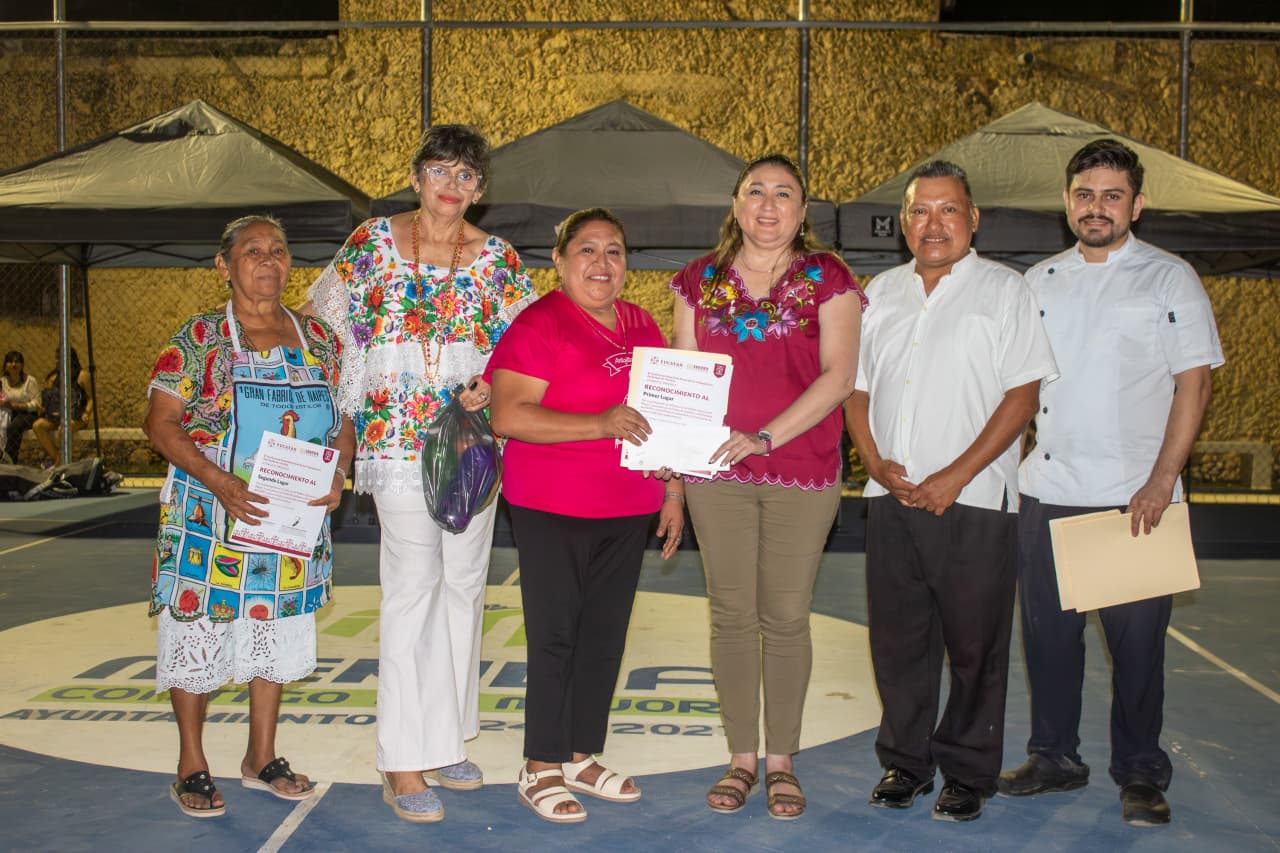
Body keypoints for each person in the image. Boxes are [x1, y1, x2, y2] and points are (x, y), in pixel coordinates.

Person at [304, 124, 536, 823]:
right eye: (440, 170)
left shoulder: (499, 260)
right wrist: (337, 424)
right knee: (413, 588)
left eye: (466, 175)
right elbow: (323, 328)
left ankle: (446, 737)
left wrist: (494, 383)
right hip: (396, 442)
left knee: (465, 586)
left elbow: (526, 348)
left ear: (480, 189)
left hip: (472, 445)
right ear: (415, 177)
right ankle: (402, 758)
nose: (452, 185)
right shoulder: (370, 245)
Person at [998, 139, 1223, 827]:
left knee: (1137, 654)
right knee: (1048, 643)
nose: (1097, 207)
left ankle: (1141, 773)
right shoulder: (1038, 281)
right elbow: (1018, 387)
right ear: (1067, 203)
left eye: (1112, 195)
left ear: (1137, 204)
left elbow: (1194, 383)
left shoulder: (1169, 278)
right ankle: (1054, 757)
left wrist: (1161, 480)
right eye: (1085, 195)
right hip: (1048, 491)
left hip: (1135, 501)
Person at [845, 160, 1057, 822]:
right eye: (919, 210)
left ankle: (967, 771)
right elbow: (856, 392)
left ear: (973, 219)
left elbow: (1022, 395)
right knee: (898, 642)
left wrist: (955, 475)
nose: (932, 223)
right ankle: (905, 762)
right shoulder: (879, 293)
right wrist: (874, 462)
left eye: (948, 209)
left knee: (975, 646)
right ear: (903, 222)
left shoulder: (1006, 290)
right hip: (891, 499)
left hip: (974, 502)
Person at [670, 154, 865, 821]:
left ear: (802, 211)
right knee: (730, 614)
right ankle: (742, 758)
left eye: (784, 193)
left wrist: (764, 436)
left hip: (801, 470)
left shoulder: (829, 278)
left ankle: (781, 759)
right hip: (714, 472)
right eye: (756, 190)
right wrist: (674, 477)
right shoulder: (697, 281)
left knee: (784, 616)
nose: (768, 204)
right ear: (736, 203)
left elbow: (840, 377)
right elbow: (684, 384)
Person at [143, 214, 355, 818]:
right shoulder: (199, 337)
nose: (269, 260)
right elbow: (160, 422)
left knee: (274, 625)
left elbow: (344, 416)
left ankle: (261, 756)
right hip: (210, 511)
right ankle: (191, 763)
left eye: (279, 250)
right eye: (253, 250)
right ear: (224, 264)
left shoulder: (320, 339)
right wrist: (220, 481)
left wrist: (339, 472)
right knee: (196, 626)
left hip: (291, 512)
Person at [487, 207, 684, 824]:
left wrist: (674, 490)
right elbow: (508, 415)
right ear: (560, 260)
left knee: (604, 634)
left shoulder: (641, 323)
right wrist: (599, 424)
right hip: (552, 503)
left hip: (628, 505)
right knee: (555, 635)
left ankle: (579, 754)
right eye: (588, 250)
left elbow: (667, 418)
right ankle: (539, 763)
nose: (602, 263)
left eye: (614, 251)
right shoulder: (539, 323)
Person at [32, 346, 89, 465]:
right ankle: (59, 460)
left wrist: (86, 412)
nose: (57, 361)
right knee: (38, 426)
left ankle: (57, 465)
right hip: (57, 415)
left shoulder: (82, 376)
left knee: (63, 429)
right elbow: (50, 399)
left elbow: (91, 398)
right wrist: (42, 407)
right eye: (56, 358)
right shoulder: (53, 378)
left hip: (76, 415)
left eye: (60, 358)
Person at [1, 350, 40, 464]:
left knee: (14, 426)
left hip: (27, 414)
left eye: (17, 362)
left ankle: (9, 461)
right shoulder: (2, 382)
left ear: (22, 365)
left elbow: (37, 403)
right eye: (10, 362)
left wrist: (17, 406)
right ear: (5, 365)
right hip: (7, 412)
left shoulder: (30, 381)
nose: (14, 364)